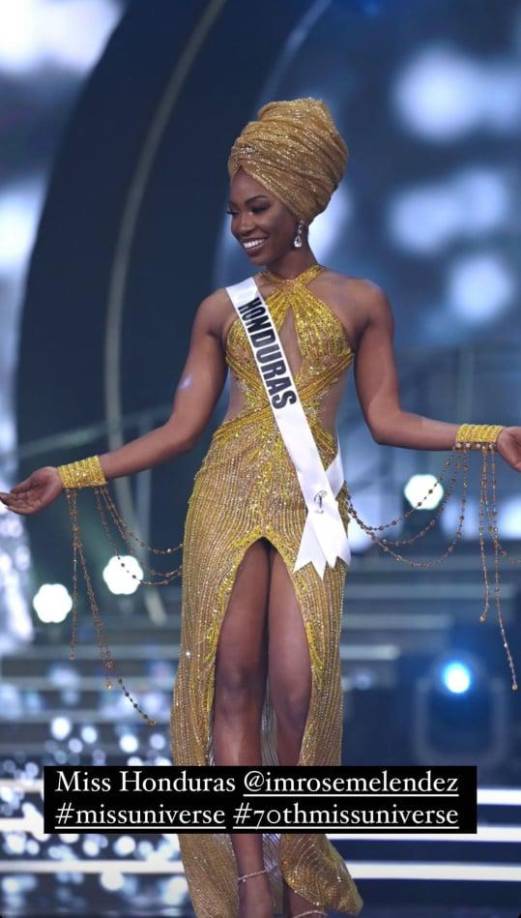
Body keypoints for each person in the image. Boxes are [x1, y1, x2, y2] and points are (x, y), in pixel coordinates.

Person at [1, 97, 520, 918]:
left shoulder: (360, 301)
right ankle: (252, 881)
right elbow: (178, 428)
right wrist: (72, 475)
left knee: (297, 686)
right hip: (226, 495)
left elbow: (385, 419)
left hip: (311, 507)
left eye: (259, 207)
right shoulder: (221, 311)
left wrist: (485, 434)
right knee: (231, 683)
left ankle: (300, 859)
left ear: (303, 201)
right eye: (234, 210)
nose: (243, 224)